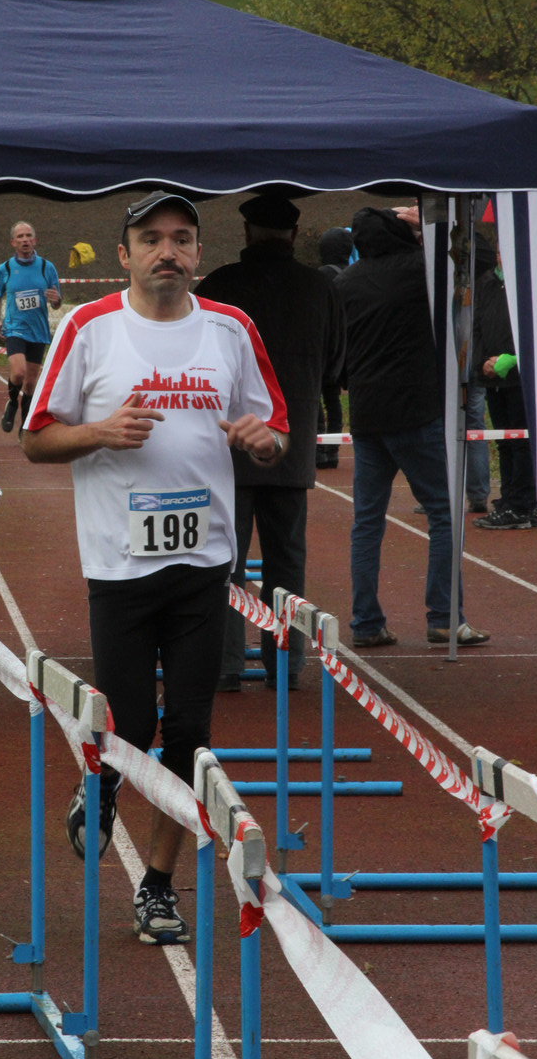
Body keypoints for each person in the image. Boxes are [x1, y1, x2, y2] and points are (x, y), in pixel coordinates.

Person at [21, 191, 289, 944]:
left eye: (181, 238)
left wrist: (263, 442)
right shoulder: (88, 327)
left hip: (205, 560)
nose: (167, 251)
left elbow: (276, 431)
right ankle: (104, 780)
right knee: (130, 723)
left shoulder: (231, 328)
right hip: (120, 563)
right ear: (125, 254)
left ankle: (159, 886)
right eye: (151, 239)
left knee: (191, 734)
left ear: (199, 253)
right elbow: (36, 439)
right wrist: (101, 432)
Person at [196, 194, 345, 692]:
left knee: (223, 561)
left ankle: (224, 665)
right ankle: (286, 663)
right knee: (287, 562)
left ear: (246, 232)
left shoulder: (218, 285)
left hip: (228, 444)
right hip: (292, 441)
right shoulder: (319, 287)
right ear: (295, 232)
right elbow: (335, 365)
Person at [335, 206, 489, 648]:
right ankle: (444, 616)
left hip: (366, 413)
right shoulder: (422, 269)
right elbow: (479, 258)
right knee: (444, 514)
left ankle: (366, 621)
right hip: (416, 410)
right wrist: (428, 227)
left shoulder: (345, 281)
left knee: (367, 522)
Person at [471, 248, 537, 529]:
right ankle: (510, 500)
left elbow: (535, 327)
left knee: (521, 442)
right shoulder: (486, 283)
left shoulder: (529, 283)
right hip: (491, 377)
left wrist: (512, 358)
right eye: (499, 250)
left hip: (520, 377)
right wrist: (481, 363)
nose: (502, 256)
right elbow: (476, 326)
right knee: (504, 441)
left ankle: (522, 504)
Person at [0, 221, 61, 435]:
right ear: (13, 242)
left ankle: (25, 424)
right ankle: (13, 403)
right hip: (15, 328)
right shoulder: (5, 269)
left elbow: (56, 302)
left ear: (35, 240)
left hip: (38, 331)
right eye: (20, 236)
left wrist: (56, 300)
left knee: (30, 384)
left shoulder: (46, 267)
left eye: (28, 236)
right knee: (19, 372)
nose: (25, 240)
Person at [316, 227, 352, 468]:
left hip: (321, 347)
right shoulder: (353, 275)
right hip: (343, 349)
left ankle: (319, 451)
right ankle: (332, 451)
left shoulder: (319, 277)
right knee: (333, 399)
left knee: (316, 399)